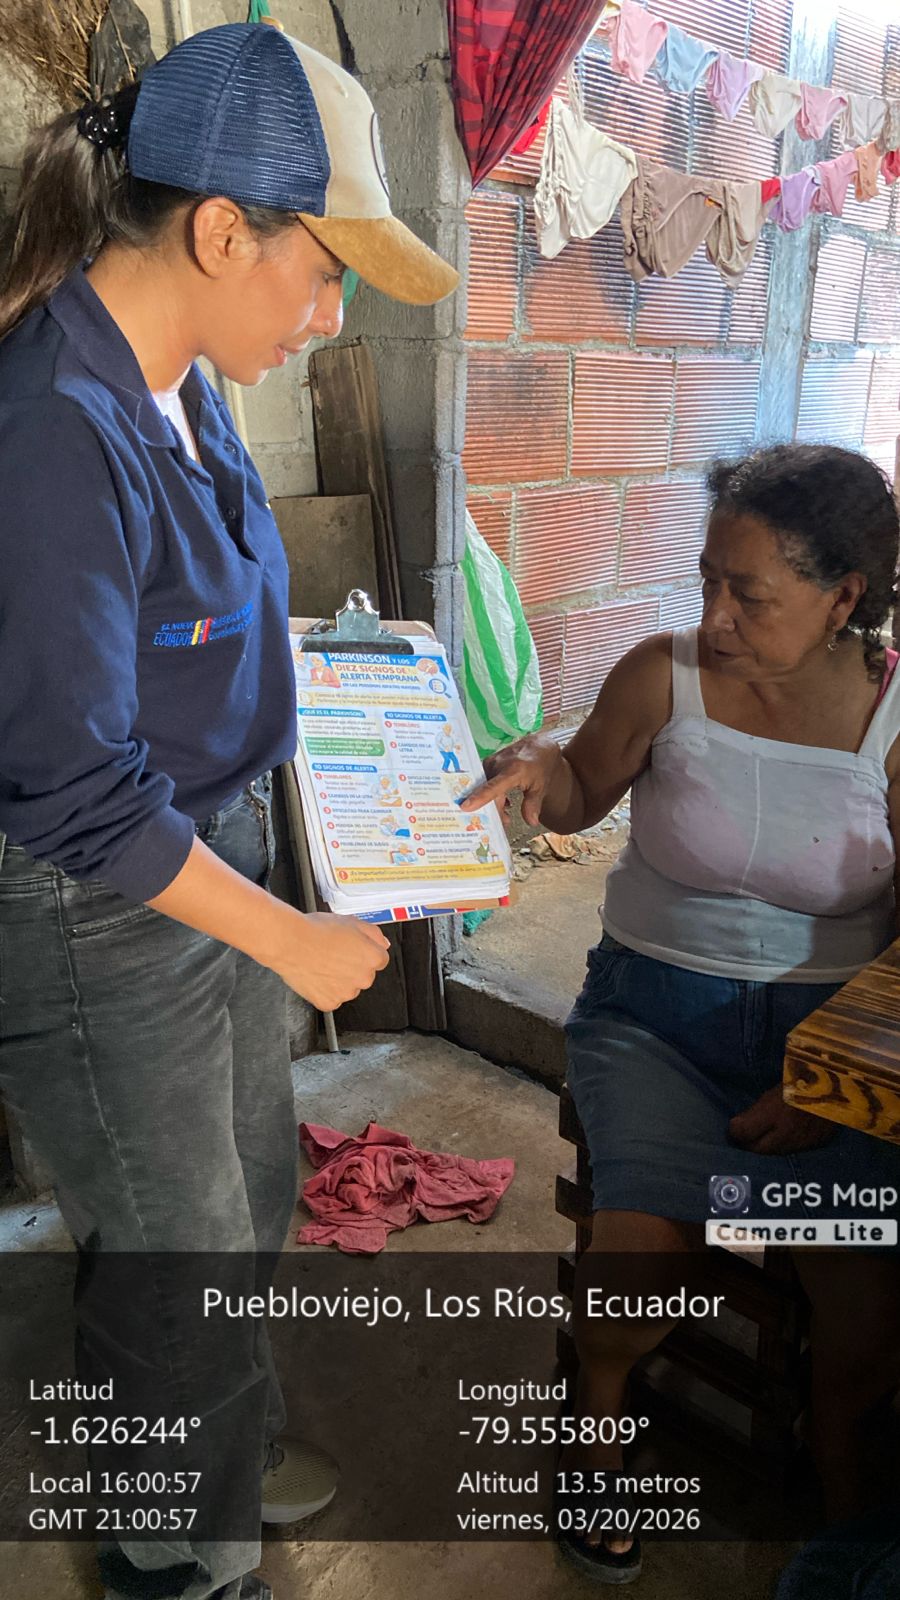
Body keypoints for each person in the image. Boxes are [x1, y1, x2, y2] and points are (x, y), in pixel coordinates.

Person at [0, 21, 457, 1600]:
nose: (331, 319)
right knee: (174, 1248)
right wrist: (290, 938)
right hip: (101, 907)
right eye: (322, 275)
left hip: (210, 857)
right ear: (216, 232)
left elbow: (208, 627)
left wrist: (374, 700)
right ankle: (171, 1560)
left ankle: (216, 1448)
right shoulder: (53, 431)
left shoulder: (188, 383)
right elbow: (71, 786)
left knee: (245, 1197)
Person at [462, 444, 900, 1585]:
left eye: (749, 594)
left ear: (844, 597)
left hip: (830, 1044)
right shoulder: (664, 675)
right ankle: (596, 1421)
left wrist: (826, 1086)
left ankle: (844, 1513)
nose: (714, 617)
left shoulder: (893, 715)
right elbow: (580, 793)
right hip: (653, 1019)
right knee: (644, 1261)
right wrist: (538, 769)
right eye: (707, 581)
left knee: (865, 1313)